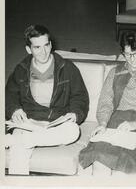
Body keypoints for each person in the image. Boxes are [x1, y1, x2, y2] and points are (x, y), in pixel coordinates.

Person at [79, 30, 136, 175]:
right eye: (127, 54)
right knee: (99, 161)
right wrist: (102, 123)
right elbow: (105, 102)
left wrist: (135, 124)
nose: (131, 59)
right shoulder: (115, 72)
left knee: (125, 166)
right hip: (115, 123)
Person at [5, 25, 89, 175]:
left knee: (74, 131)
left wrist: (75, 113)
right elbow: (10, 94)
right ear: (28, 49)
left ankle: (17, 140)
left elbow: (80, 96)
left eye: (46, 45)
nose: (43, 52)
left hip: (56, 122)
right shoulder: (21, 69)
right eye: (37, 47)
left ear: (51, 44)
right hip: (29, 122)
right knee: (17, 155)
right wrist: (15, 109)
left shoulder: (67, 68)